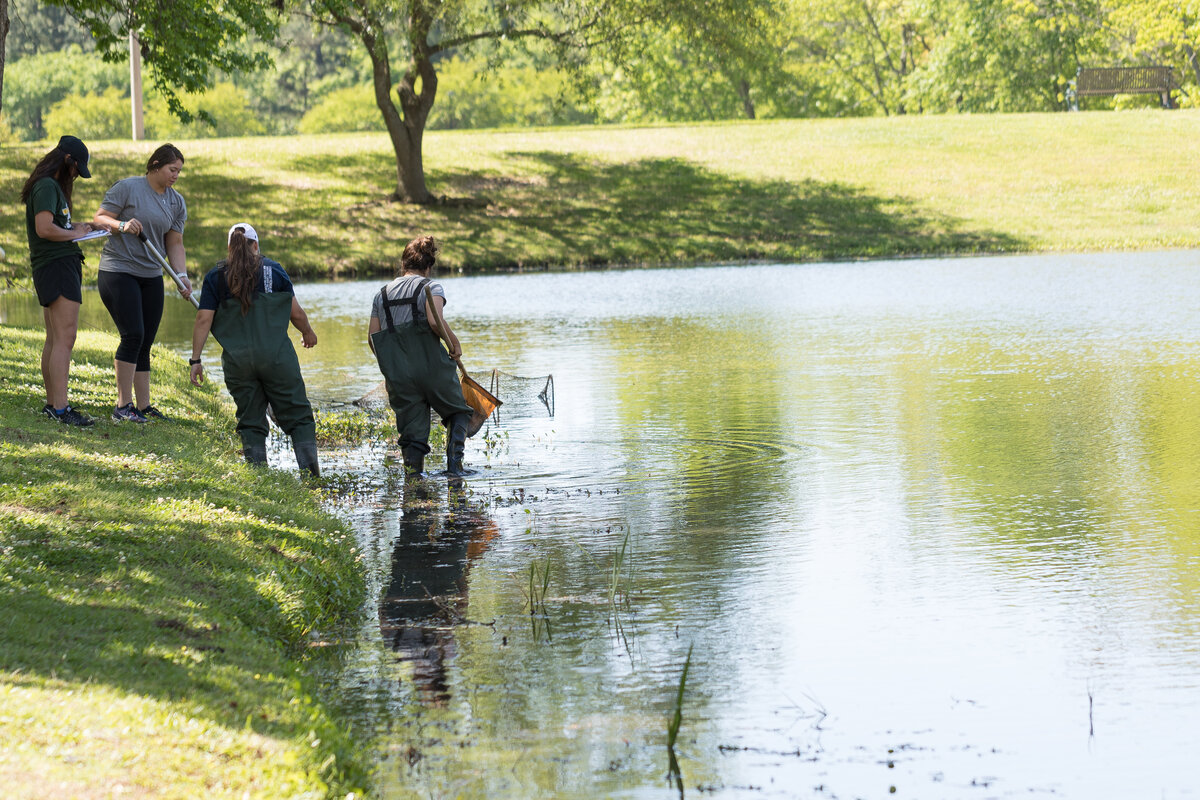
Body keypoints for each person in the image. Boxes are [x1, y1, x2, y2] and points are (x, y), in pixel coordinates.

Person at [189, 223, 321, 477]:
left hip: (238, 363)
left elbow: (203, 320)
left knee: (250, 419)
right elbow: (296, 313)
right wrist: (307, 332)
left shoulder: (215, 277)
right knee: (299, 416)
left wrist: (196, 359)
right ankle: (311, 478)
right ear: (256, 245)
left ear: (229, 247)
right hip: (277, 360)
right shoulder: (274, 271)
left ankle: (259, 477)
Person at [92, 143, 193, 422]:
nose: (176, 175)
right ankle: (122, 407)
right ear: (156, 164)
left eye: (179, 171)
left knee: (146, 340)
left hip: (152, 275)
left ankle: (143, 406)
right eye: (173, 169)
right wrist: (122, 225)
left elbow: (174, 242)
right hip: (118, 271)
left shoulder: (176, 202)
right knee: (133, 334)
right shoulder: (128, 188)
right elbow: (99, 218)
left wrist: (181, 275)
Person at [368, 235, 473, 476]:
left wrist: (395, 366)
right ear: (428, 266)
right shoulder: (431, 287)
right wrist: (454, 342)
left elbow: (372, 338)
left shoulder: (380, 295)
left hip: (400, 377)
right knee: (458, 411)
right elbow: (435, 321)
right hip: (432, 368)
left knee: (412, 435)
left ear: (403, 264)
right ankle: (454, 472)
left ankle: (414, 482)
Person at [21, 135, 98, 427]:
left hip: (55, 265)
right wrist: (74, 234)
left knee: (55, 338)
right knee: (65, 338)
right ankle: (62, 410)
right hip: (56, 267)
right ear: (67, 161)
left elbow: (57, 226)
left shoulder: (49, 187)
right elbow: (44, 229)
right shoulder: (46, 186)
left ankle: (54, 404)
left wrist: (76, 227)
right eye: (77, 169)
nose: (76, 176)